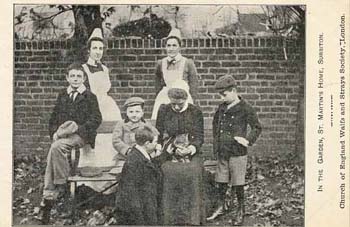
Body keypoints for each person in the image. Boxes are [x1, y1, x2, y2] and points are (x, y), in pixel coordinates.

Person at [39, 63, 102, 224]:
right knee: (54, 150)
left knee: (56, 147)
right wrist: (54, 132)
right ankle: (50, 197)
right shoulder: (63, 95)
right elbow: (53, 118)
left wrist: (78, 128)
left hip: (80, 136)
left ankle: (58, 187)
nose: (75, 79)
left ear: (84, 78)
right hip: (63, 136)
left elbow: (96, 119)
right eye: (72, 76)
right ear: (67, 78)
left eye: (79, 76)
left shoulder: (89, 96)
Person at [207, 75, 262, 226]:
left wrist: (248, 140)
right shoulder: (222, 108)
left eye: (224, 95)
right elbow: (215, 125)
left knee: (238, 182)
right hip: (223, 151)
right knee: (221, 180)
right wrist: (216, 145)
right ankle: (221, 205)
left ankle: (240, 208)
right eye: (220, 95)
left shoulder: (245, 108)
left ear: (234, 91)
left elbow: (257, 127)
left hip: (237, 152)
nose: (221, 98)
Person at [155, 79, 205, 225]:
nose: (176, 107)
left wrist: (191, 148)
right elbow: (158, 134)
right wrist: (161, 149)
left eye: (180, 103)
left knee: (193, 172)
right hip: (169, 150)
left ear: (186, 99)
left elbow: (200, 137)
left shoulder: (195, 112)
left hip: (191, 151)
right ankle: (169, 218)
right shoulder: (163, 110)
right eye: (173, 103)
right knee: (166, 171)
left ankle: (192, 218)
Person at [78, 28, 122, 192]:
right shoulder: (83, 69)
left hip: (108, 105)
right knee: (96, 140)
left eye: (100, 48)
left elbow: (107, 89)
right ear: (89, 50)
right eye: (95, 48)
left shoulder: (105, 69)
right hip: (91, 106)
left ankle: (109, 183)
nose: (98, 52)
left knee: (110, 138)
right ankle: (91, 184)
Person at [115, 125, 173, 225]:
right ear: (147, 144)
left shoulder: (139, 154)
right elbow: (131, 195)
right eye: (155, 142)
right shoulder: (135, 161)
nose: (156, 144)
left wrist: (165, 155)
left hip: (144, 208)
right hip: (139, 214)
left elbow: (151, 164)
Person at [151, 28, 199, 120]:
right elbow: (158, 84)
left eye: (174, 45)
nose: (171, 49)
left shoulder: (187, 63)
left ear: (179, 47)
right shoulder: (161, 63)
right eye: (168, 46)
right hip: (165, 97)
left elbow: (194, 85)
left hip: (183, 97)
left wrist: (191, 99)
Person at [112, 97, 160, 169]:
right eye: (131, 112)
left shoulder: (145, 124)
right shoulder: (121, 124)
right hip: (125, 156)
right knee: (121, 171)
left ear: (142, 113)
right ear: (126, 113)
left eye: (137, 112)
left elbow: (155, 134)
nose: (134, 115)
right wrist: (127, 150)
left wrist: (153, 146)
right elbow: (116, 141)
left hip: (142, 156)